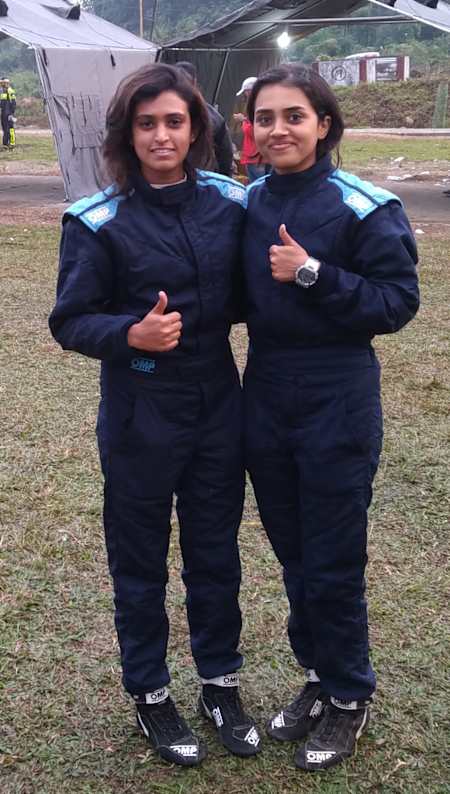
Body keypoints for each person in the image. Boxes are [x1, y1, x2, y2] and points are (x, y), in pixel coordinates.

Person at [49, 63, 261, 767]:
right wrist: (128, 335)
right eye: (147, 124)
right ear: (126, 134)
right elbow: (70, 320)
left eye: (175, 121)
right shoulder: (97, 220)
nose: (162, 135)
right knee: (139, 559)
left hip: (217, 401)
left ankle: (220, 683)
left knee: (215, 549)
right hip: (140, 406)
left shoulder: (234, 204)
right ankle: (149, 692)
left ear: (197, 128)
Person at [242, 64, 419, 772]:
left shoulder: (366, 206)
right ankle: (317, 675)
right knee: (292, 552)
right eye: (265, 117)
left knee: (334, 558)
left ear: (324, 123)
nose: (278, 128)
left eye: (293, 115)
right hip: (265, 392)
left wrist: (314, 272)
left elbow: (397, 302)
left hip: (337, 396)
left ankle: (349, 695)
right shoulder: (247, 202)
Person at [175, 60, 234, 177]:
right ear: (195, 82)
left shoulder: (211, 116)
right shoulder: (213, 115)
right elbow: (225, 155)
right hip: (202, 178)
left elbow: (225, 154)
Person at [233, 76, 268, 183]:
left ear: (251, 91)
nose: (245, 95)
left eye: (246, 92)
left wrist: (243, 120)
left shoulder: (257, 106)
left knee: (258, 186)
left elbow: (253, 131)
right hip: (257, 156)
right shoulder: (261, 104)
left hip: (256, 156)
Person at [0, 77, 16, 149]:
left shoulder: (9, 91)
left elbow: (13, 103)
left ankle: (7, 143)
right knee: (6, 128)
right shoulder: (3, 91)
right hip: (4, 113)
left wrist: (11, 113)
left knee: (9, 128)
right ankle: (8, 143)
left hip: (8, 113)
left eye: (2, 83)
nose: (1, 84)